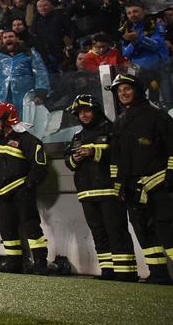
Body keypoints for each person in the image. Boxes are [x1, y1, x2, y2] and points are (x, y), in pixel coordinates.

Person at [108, 73, 173, 284]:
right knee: (143, 231)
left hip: (160, 186)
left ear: (138, 90)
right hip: (132, 189)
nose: (122, 94)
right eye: (119, 91)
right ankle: (159, 274)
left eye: (126, 89)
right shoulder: (119, 123)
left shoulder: (159, 117)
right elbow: (116, 159)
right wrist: (118, 186)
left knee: (167, 229)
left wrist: (169, 177)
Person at [64, 94, 134, 281]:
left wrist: (95, 151)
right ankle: (108, 270)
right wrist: (74, 158)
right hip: (87, 192)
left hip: (110, 190)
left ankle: (126, 271)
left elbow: (121, 154)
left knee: (116, 230)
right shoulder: (77, 136)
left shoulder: (111, 130)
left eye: (87, 111)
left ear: (96, 111)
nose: (83, 115)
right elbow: (68, 162)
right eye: (80, 113)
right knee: (98, 232)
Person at [0, 102, 49, 274]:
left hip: (21, 193)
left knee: (31, 226)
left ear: (8, 119)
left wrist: (28, 187)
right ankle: (14, 262)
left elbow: (40, 166)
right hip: (1, 195)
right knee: (7, 228)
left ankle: (40, 262)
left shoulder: (27, 140)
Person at [0, 30, 50, 119]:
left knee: (26, 123)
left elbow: (40, 73)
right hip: (4, 98)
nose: (8, 39)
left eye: (11, 36)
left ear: (17, 38)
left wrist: (40, 93)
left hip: (26, 98)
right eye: (5, 37)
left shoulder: (30, 53)